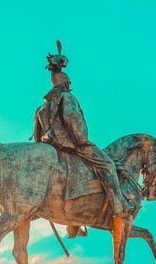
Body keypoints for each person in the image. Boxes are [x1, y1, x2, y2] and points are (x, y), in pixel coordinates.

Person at [33, 41, 129, 239]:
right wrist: (82, 140)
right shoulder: (68, 99)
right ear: (66, 83)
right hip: (72, 145)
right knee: (108, 165)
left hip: (50, 147)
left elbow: (36, 136)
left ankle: (73, 224)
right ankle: (118, 206)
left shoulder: (41, 108)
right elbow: (76, 126)